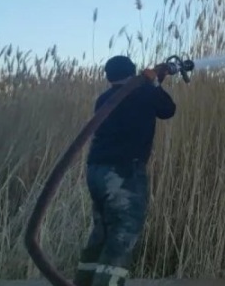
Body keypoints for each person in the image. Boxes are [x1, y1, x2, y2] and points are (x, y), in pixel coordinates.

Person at [74, 55, 177, 286]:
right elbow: (168, 109)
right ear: (133, 72)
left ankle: (83, 282)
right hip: (123, 173)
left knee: (101, 232)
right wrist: (154, 83)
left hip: (96, 171)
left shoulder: (104, 98)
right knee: (123, 234)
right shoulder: (143, 92)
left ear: (109, 77)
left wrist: (151, 81)